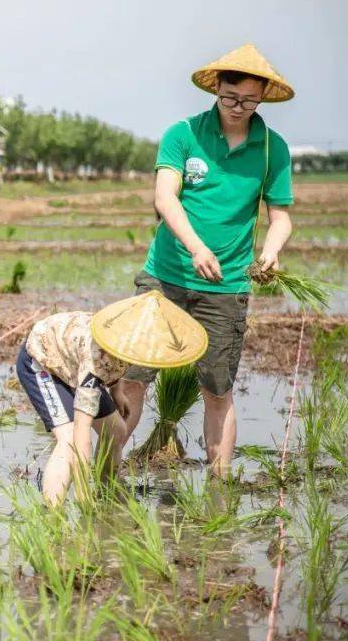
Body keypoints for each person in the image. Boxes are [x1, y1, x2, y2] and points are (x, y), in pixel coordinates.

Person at [113, 44, 295, 478]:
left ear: (263, 97)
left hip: (228, 287)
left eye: (250, 100)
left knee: (218, 389)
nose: (238, 108)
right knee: (133, 378)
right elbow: (164, 197)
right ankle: (107, 471)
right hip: (165, 278)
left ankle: (220, 483)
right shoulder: (184, 135)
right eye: (231, 98)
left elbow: (281, 217)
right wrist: (195, 247)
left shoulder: (272, 148)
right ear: (217, 89)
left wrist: (270, 251)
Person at [18, 292, 207, 504]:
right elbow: (83, 429)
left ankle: (106, 492)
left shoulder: (129, 340)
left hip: (74, 361)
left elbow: (116, 364)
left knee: (116, 430)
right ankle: (53, 516)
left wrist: (116, 390)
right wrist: (82, 491)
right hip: (44, 361)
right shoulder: (97, 361)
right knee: (69, 439)